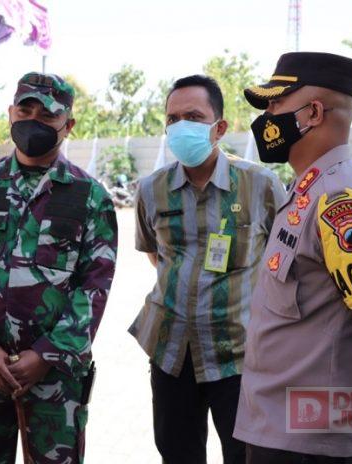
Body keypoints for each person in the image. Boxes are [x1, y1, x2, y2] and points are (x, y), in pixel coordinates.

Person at [233, 52, 352, 463]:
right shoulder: (310, 189)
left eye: (275, 104)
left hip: (311, 442)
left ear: (313, 113)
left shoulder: (340, 200)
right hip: (282, 429)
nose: (267, 117)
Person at [0, 72, 118, 464]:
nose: (33, 121)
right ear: (11, 113)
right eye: (26, 111)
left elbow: (94, 286)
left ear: (68, 125)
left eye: (48, 115)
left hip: (56, 378)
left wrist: (45, 355)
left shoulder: (90, 197)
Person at [128, 75, 286, 464]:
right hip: (170, 351)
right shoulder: (151, 189)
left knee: (246, 456)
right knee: (177, 454)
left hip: (239, 355)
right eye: (173, 119)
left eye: (194, 117)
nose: (181, 126)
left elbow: (282, 262)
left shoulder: (261, 185)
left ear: (219, 127)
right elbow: (156, 255)